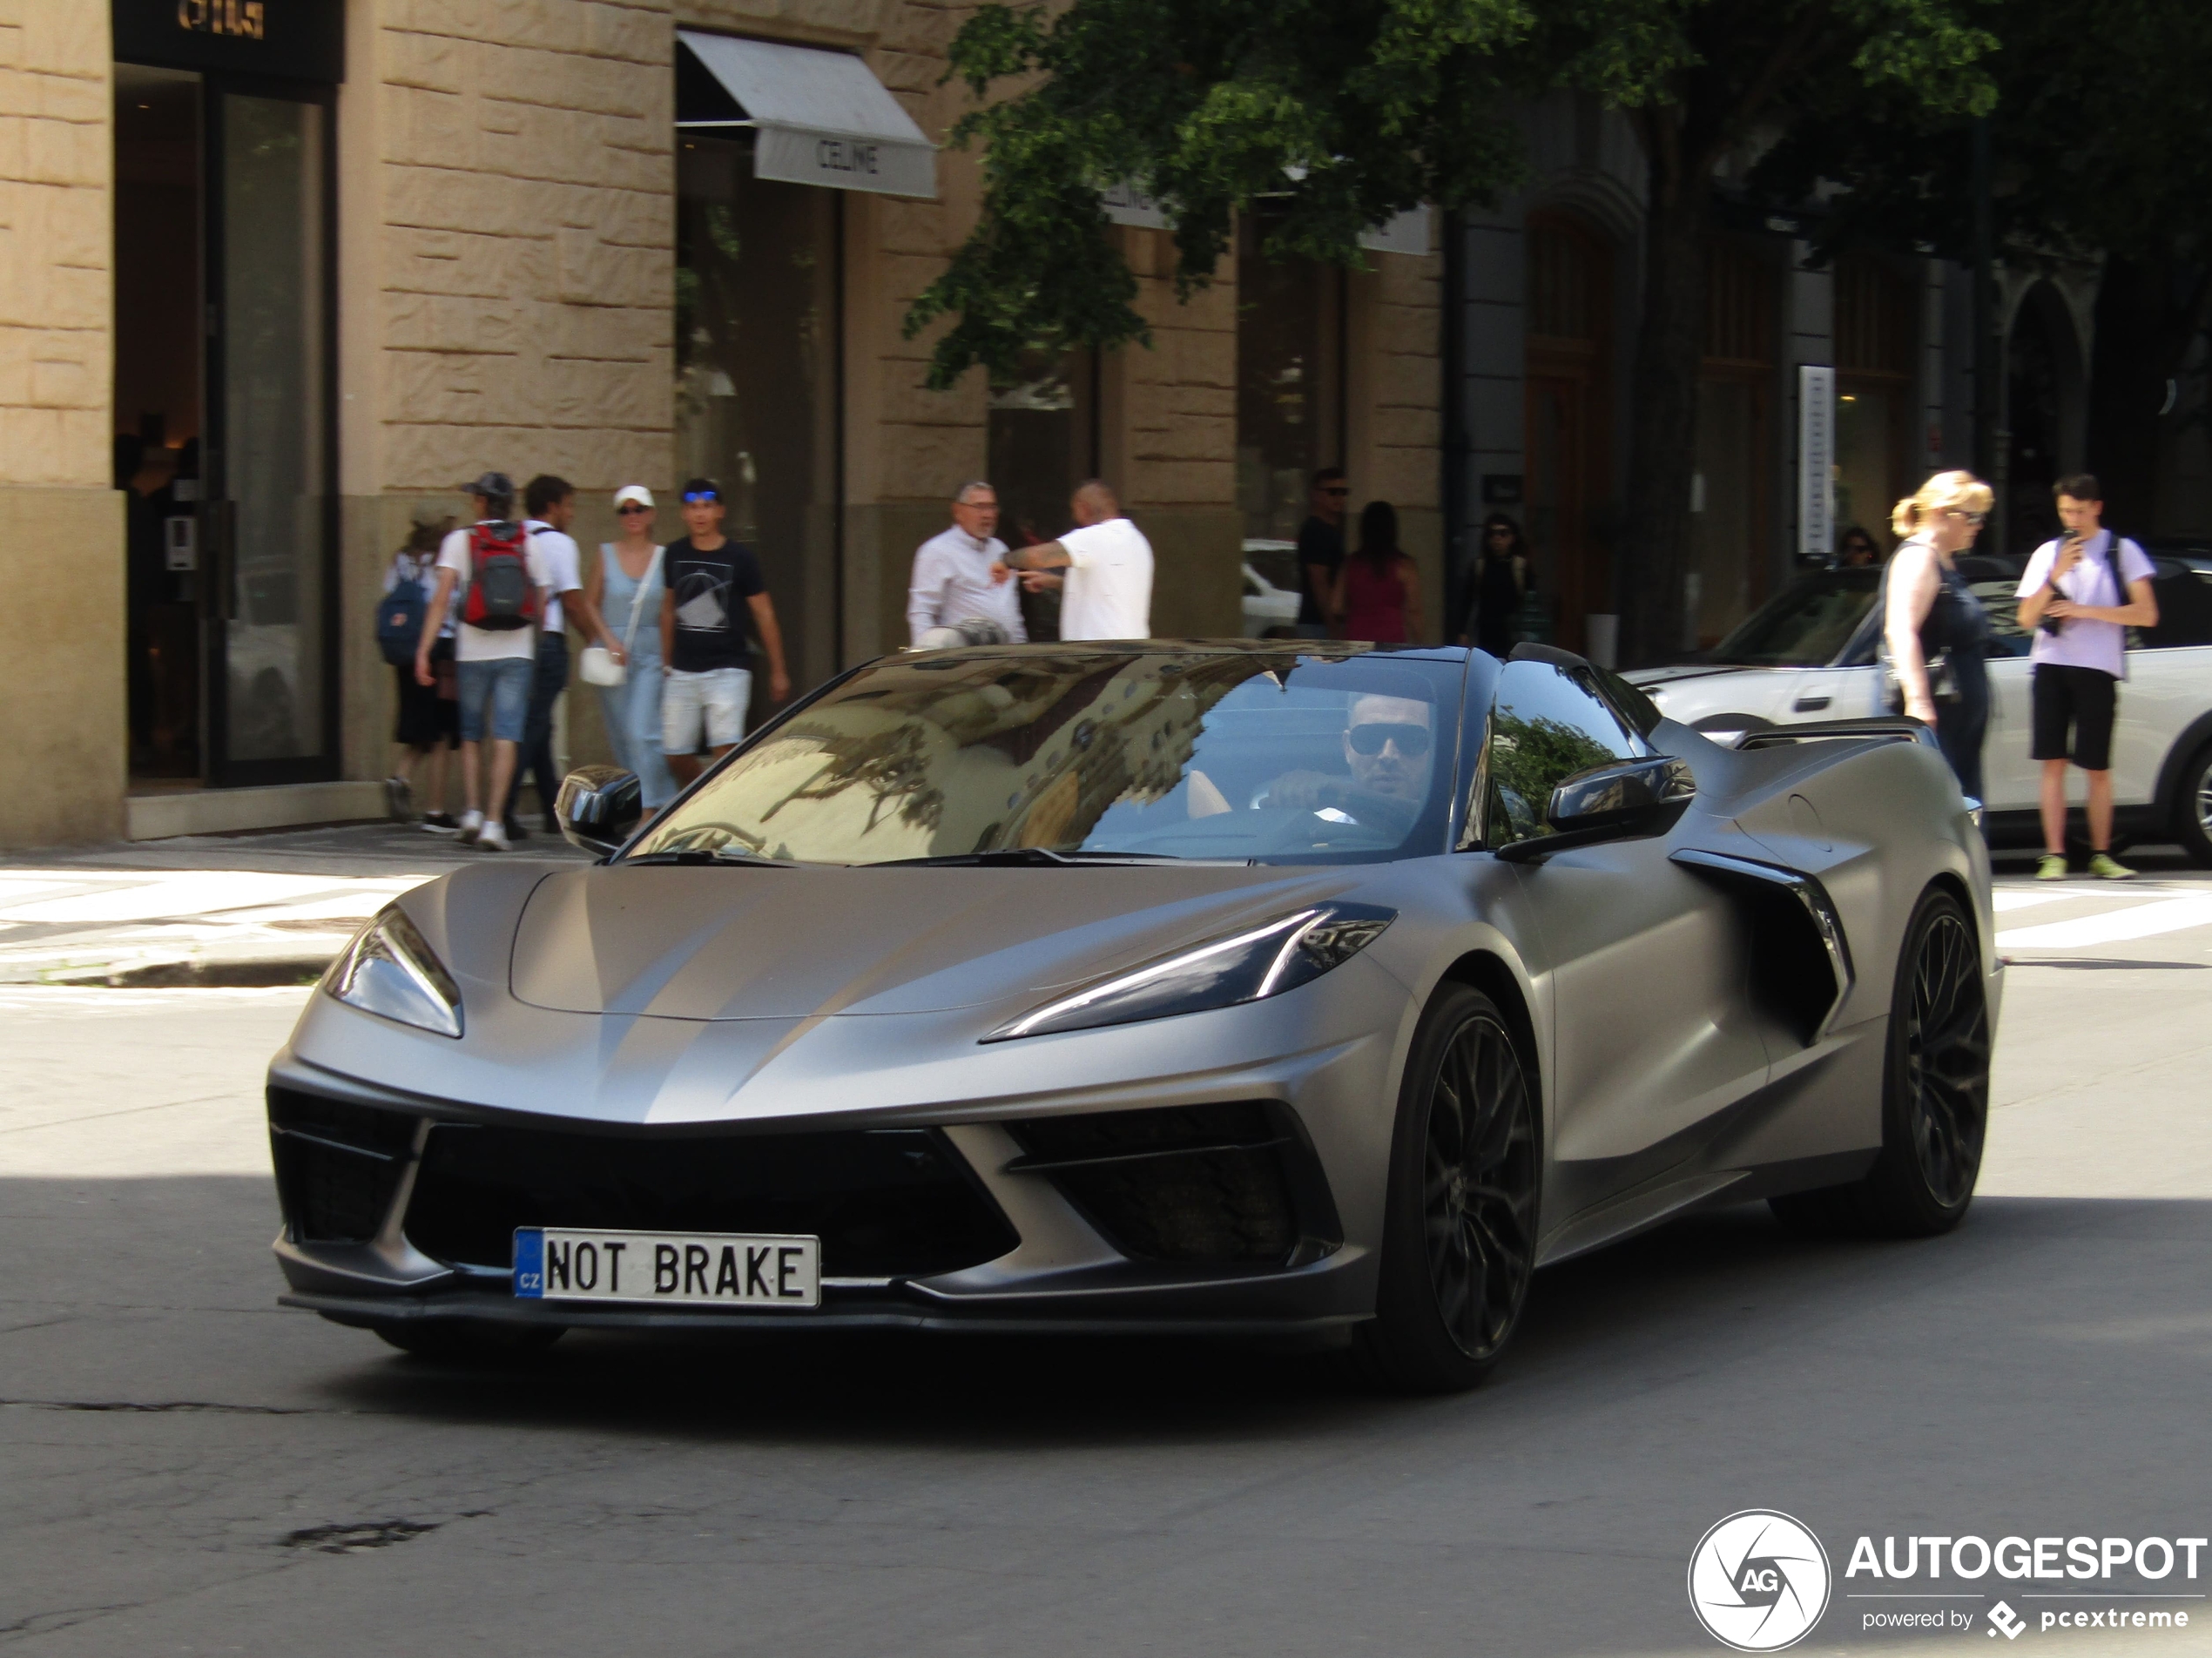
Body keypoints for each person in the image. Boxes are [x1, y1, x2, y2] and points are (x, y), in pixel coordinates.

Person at [2014, 474, 2160, 880]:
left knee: (2096, 766)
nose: (2072, 519)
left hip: (2098, 667)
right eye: (2065, 511)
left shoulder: (2121, 551)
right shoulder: (2048, 553)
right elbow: (2025, 618)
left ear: (2097, 507)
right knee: (2052, 762)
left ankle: (2101, 852)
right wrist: (2056, 575)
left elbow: (2146, 614)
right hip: (2050, 664)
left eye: (2079, 511)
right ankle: (2055, 854)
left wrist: (2084, 611)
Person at [413, 470, 550, 852]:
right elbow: (541, 599)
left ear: (480, 503)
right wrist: (532, 642)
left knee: (471, 734)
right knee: (506, 735)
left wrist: (424, 650)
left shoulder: (461, 540)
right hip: (517, 651)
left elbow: (442, 598)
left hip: (472, 650)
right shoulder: (529, 541)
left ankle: (472, 811)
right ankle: (494, 823)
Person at [659, 477, 791, 785]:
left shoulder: (740, 558)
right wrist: (666, 660)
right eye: (693, 507)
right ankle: (704, 792)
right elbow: (667, 608)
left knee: (726, 749)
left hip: (729, 669)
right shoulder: (673, 553)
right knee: (674, 753)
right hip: (682, 669)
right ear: (683, 513)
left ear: (720, 511)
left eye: (707, 506)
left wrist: (778, 669)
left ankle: (715, 807)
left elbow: (764, 612)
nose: (700, 514)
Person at [512, 474, 620, 839]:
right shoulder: (558, 543)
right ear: (553, 507)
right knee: (534, 726)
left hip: (516, 644)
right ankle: (501, 810)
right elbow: (573, 602)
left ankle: (549, 810)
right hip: (549, 641)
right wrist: (595, 641)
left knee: (540, 727)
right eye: (569, 505)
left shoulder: (516, 537)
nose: (572, 514)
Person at [1884, 469, 1994, 803]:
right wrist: (1918, 701)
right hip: (1935, 720)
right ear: (1940, 513)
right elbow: (1900, 628)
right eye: (1972, 516)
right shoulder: (1918, 557)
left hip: (1956, 723)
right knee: (1934, 813)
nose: (1979, 525)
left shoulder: (1943, 561)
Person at [586, 485, 677, 814]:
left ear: (651, 513)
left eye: (639, 509)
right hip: (614, 656)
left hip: (651, 654)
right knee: (624, 734)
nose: (632, 516)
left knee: (643, 732)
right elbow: (590, 603)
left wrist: (669, 661)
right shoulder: (605, 553)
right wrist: (608, 638)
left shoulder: (665, 557)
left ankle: (652, 807)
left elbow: (670, 610)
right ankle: (642, 800)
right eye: (625, 510)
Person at [382, 503, 457, 827]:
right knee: (441, 732)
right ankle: (436, 810)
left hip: (405, 648)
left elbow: (387, 593)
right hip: (438, 646)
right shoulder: (442, 561)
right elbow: (448, 602)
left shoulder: (400, 559)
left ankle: (400, 778)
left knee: (418, 722)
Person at [1003, 480, 1153, 640]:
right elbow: (1106, 588)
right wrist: (1055, 582)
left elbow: (1037, 557)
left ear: (1083, 507)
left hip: (1100, 653)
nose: (1074, 517)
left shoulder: (1095, 536)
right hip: (1134, 649)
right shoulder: (1137, 540)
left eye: (1074, 510)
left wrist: (1004, 561)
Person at [907, 480, 1024, 645]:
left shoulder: (1000, 549)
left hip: (1005, 655)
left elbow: (1011, 609)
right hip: (964, 657)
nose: (988, 514)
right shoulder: (937, 551)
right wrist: (927, 658)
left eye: (992, 507)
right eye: (980, 507)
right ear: (957, 511)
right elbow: (922, 610)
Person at [1334, 500, 1423, 644]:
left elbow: (1336, 606)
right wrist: (1421, 644)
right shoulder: (1405, 565)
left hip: (1356, 640)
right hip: (1392, 641)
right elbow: (1414, 610)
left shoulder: (1350, 564)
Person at [1460, 512, 1529, 655]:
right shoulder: (1480, 566)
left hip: (1514, 634)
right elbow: (1467, 601)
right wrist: (1463, 632)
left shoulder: (1520, 566)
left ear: (1513, 538)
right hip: (1486, 633)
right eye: (1492, 534)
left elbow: (1531, 600)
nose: (1497, 539)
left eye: (1503, 533)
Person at [1296, 468, 1348, 636]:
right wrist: (1333, 626)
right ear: (1315, 494)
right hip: (1317, 626)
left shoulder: (1331, 531)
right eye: (1332, 492)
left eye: (1344, 492)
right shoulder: (1316, 531)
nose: (1339, 498)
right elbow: (1319, 582)